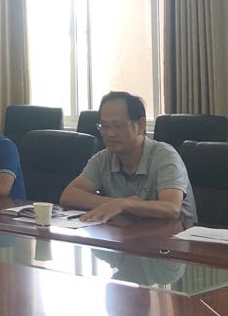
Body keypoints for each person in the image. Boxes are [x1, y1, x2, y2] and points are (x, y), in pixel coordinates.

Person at [59, 91, 198, 226]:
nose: (110, 134)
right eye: (104, 126)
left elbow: (172, 208)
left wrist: (124, 204)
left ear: (141, 125)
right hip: (129, 234)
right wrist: (116, 204)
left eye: (117, 126)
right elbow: (68, 196)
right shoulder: (103, 158)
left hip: (175, 237)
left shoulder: (165, 156)